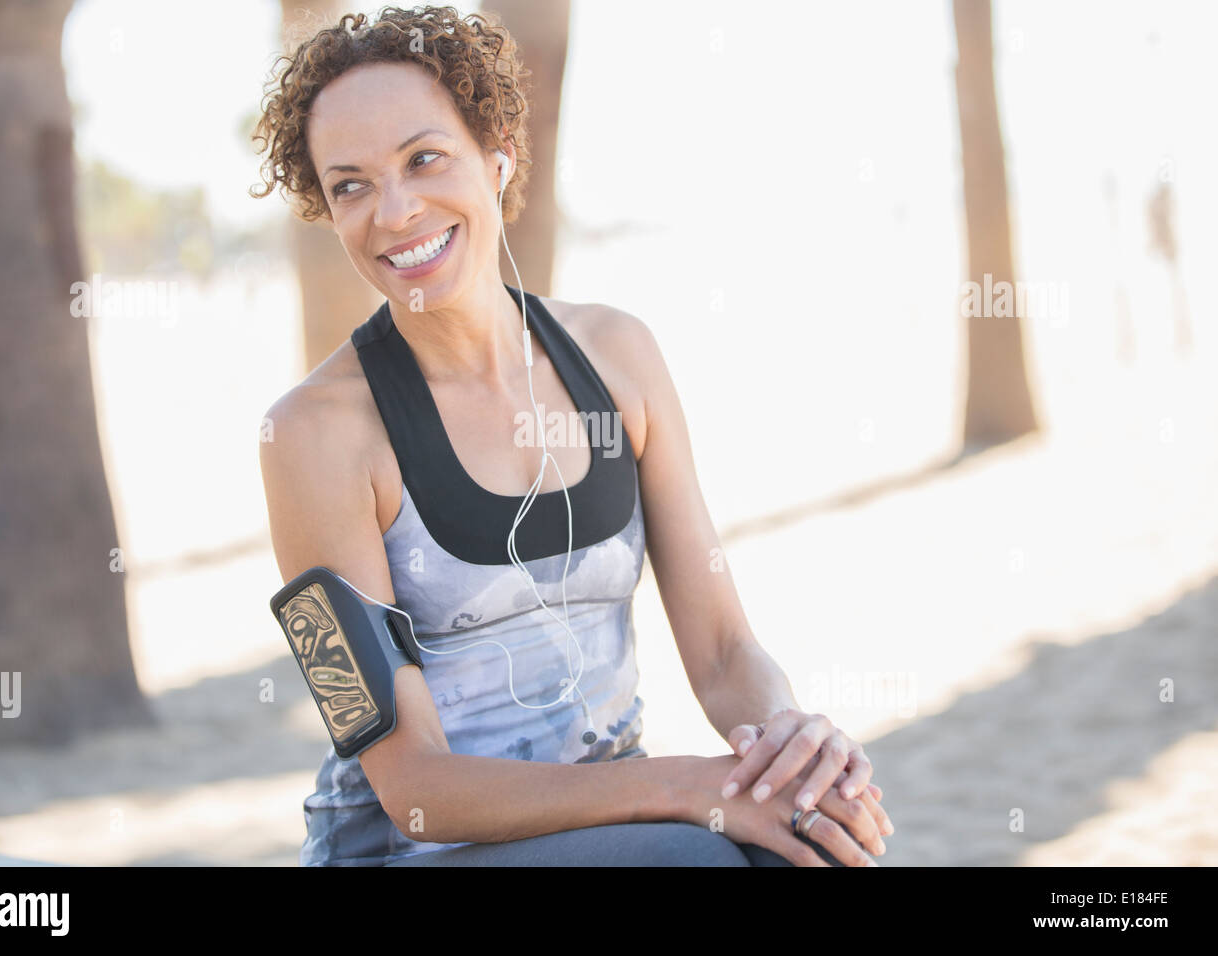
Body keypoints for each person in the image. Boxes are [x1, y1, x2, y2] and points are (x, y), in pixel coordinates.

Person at [253, 4, 894, 866]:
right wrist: (679, 788)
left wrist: (789, 748)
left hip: (607, 828)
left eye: (425, 158)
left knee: (815, 839)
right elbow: (411, 792)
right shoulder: (308, 438)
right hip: (405, 853)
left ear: (498, 152)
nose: (396, 211)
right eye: (352, 185)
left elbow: (723, 649)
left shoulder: (619, 357)